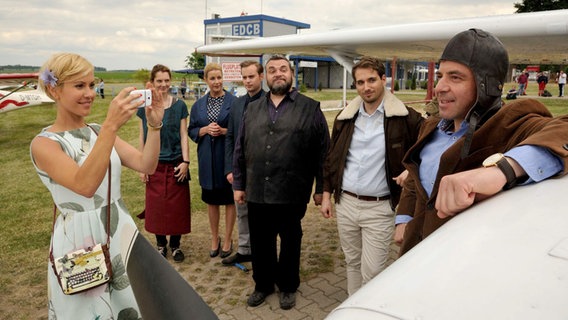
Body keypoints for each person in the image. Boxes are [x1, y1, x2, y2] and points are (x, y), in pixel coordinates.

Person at [394, 29, 568, 256]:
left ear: (487, 85)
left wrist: (502, 170)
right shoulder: (431, 127)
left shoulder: (510, 124)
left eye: (455, 77)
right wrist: (404, 218)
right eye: (440, 76)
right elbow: (414, 177)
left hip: (465, 265)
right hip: (413, 256)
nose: (439, 88)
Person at [30, 53, 164, 319]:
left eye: (92, 85)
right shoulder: (45, 144)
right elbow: (85, 185)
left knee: (130, 306)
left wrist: (155, 124)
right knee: (90, 312)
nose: (90, 93)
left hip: (118, 229)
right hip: (79, 240)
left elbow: (146, 164)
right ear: (54, 90)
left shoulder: (96, 131)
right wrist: (111, 126)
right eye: (79, 86)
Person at [233, 54, 330, 310]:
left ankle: (287, 286)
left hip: (292, 190)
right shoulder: (252, 109)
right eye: (273, 69)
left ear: (291, 73)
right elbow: (240, 148)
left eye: (283, 69)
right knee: (260, 241)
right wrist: (239, 184)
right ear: (265, 76)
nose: (278, 73)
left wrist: (322, 189)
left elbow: (323, 153)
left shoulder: (310, 108)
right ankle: (263, 284)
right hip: (256, 189)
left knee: (290, 240)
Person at [320, 56, 423, 296]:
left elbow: (429, 145)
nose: (366, 87)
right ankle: (353, 310)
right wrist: (326, 194)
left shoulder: (406, 117)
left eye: (372, 80)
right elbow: (332, 159)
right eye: (360, 82)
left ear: (384, 80)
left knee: (373, 272)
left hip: (379, 208)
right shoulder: (345, 118)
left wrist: (412, 168)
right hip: (345, 203)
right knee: (352, 263)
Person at [137, 64, 191, 262]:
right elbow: (142, 136)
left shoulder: (179, 106)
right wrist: (141, 165)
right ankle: (161, 245)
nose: (163, 84)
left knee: (177, 209)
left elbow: (184, 135)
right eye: (159, 81)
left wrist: (186, 161)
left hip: (177, 164)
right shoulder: (146, 108)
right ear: (152, 82)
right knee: (157, 208)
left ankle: (175, 246)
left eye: (167, 80)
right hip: (154, 164)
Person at [189, 63, 237, 258]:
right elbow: (191, 129)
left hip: (226, 158)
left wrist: (224, 131)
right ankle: (214, 237)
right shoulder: (198, 105)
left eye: (219, 78)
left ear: (223, 78)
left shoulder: (234, 103)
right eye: (212, 78)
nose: (216, 82)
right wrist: (204, 130)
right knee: (211, 201)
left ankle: (227, 238)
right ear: (206, 80)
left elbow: (241, 130)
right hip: (207, 160)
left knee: (229, 200)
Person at [222, 60, 266, 266]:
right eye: (245, 77)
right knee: (241, 211)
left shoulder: (269, 101)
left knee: (261, 215)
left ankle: (261, 252)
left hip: (262, 170)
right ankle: (244, 249)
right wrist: (230, 169)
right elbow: (230, 137)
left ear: (261, 76)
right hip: (239, 170)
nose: (248, 81)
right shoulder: (237, 104)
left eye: (252, 76)